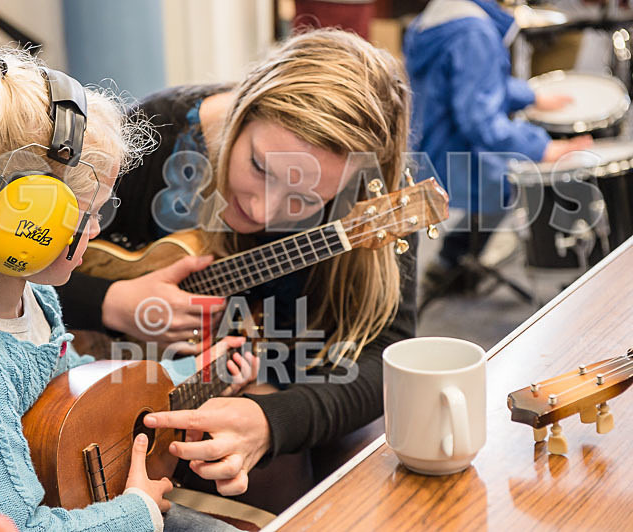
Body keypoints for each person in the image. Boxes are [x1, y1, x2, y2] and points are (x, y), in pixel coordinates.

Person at [0, 33, 254, 532]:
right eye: (89, 216)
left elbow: (70, 393)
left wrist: (188, 375)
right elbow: (18, 527)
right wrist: (134, 510)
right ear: (25, 223)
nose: (97, 230)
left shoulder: (26, 292)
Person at [56, 28, 417, 503]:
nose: (264, 210)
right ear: (245, 109)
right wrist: (112, 302)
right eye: (259, 167)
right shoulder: (156, 134)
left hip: (288, 388)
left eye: (305, 200)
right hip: (119, 386)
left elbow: (389, 357)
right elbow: (9, 272)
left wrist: (273, 421)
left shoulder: (375, 203)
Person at [403, 0, 592, 295]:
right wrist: (542, 148)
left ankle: (453, 260)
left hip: (425, 149)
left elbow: (471, 81)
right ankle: (454, 260)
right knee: (520, 179)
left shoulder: (436, 15)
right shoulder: (474, 33)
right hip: (455, 162)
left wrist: (530, 96)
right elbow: (480, 122)